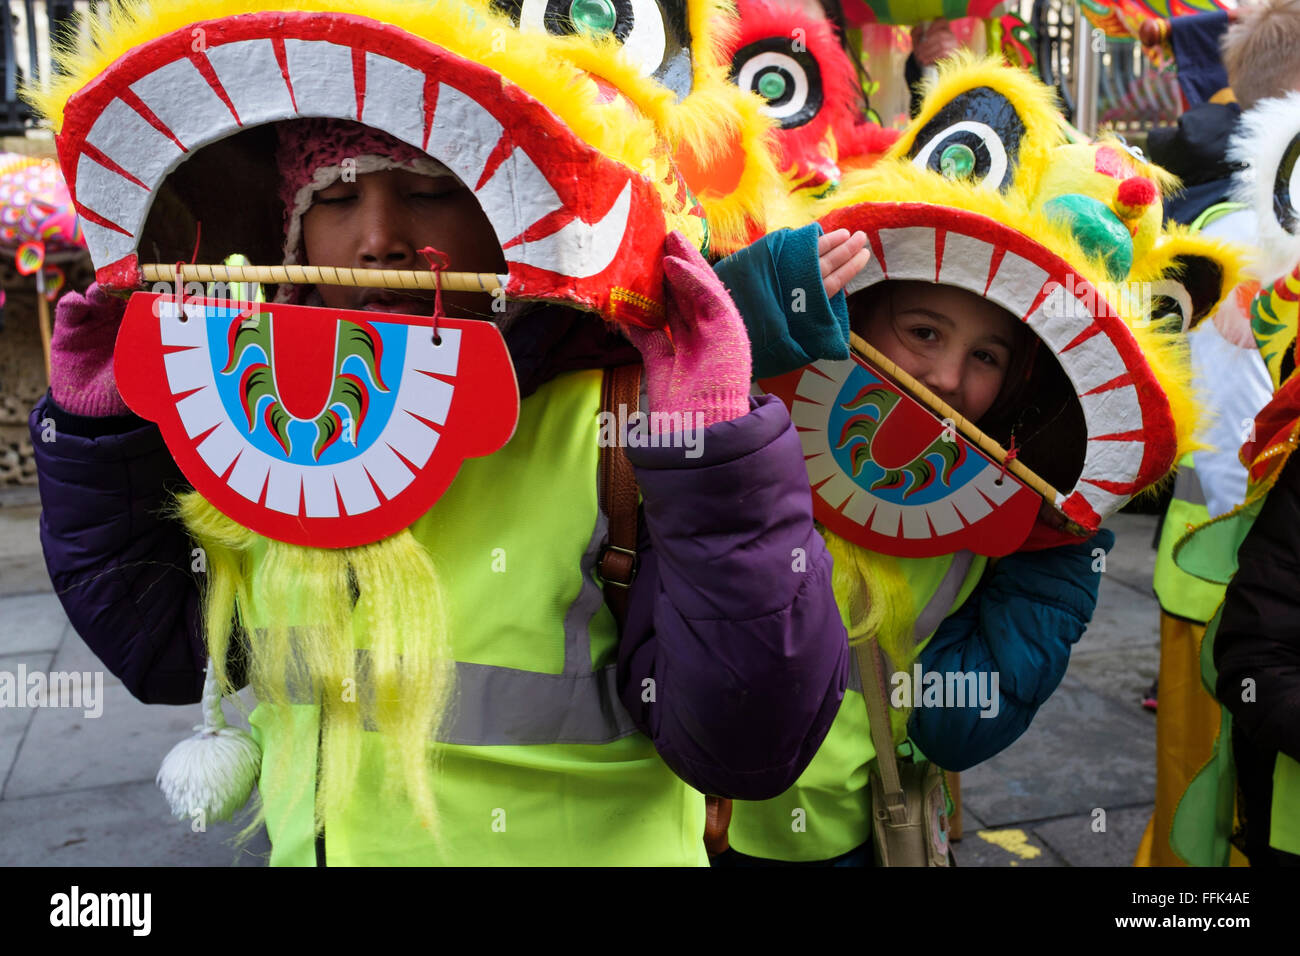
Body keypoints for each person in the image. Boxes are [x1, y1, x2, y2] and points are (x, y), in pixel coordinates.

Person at [32, 117, 852, 865]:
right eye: (340, 196)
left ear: (508, 217)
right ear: (295, 231)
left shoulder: (621, 418)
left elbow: (750, 745)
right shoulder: (248, 410)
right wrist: (102, 432)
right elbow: (167, 655)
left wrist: (713, 453)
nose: (380, 238)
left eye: (431, 191)